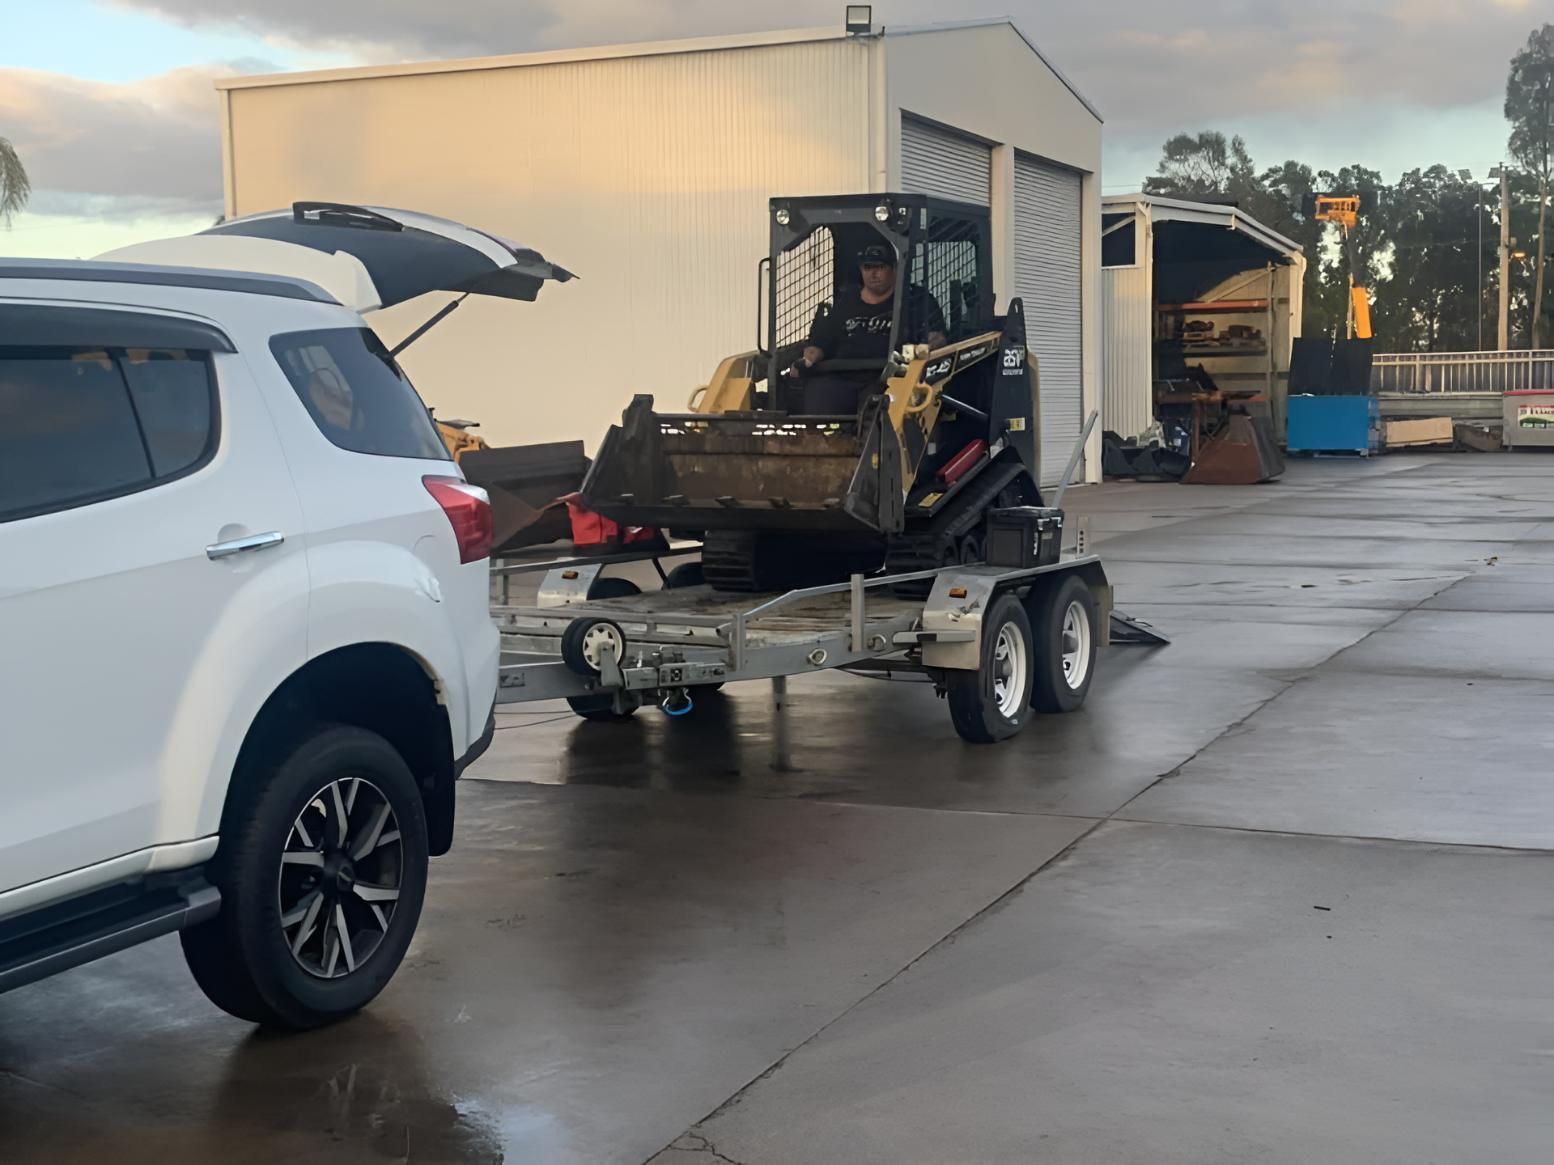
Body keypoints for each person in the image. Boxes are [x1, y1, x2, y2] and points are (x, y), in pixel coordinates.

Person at [793, 243, 948, 414]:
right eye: (868, 267)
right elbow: (821, 343)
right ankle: (822, 439)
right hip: (843, 376)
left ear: (895, 268)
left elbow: (937, 338)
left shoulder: (917, 301)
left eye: (880, 267)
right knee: (818, 392)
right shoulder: (845, 302)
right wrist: (806, 360)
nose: (873, 274)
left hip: (892, 377)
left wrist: (924, 350)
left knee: (881, 402)